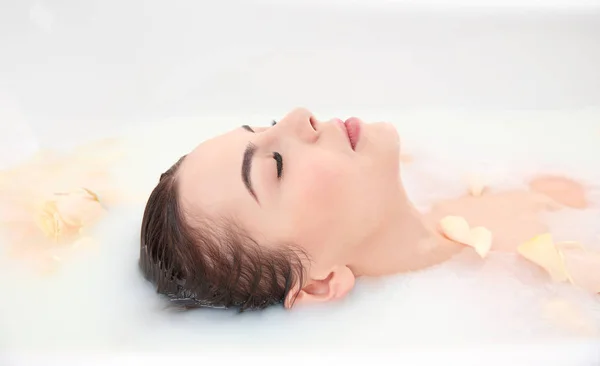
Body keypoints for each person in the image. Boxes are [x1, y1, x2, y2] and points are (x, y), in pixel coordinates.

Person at [139, 107, 592, 311]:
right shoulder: (539, 291)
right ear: (317, 285)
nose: (301, 116)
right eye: (275, 165)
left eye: (269, 125)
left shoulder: (476, 174)